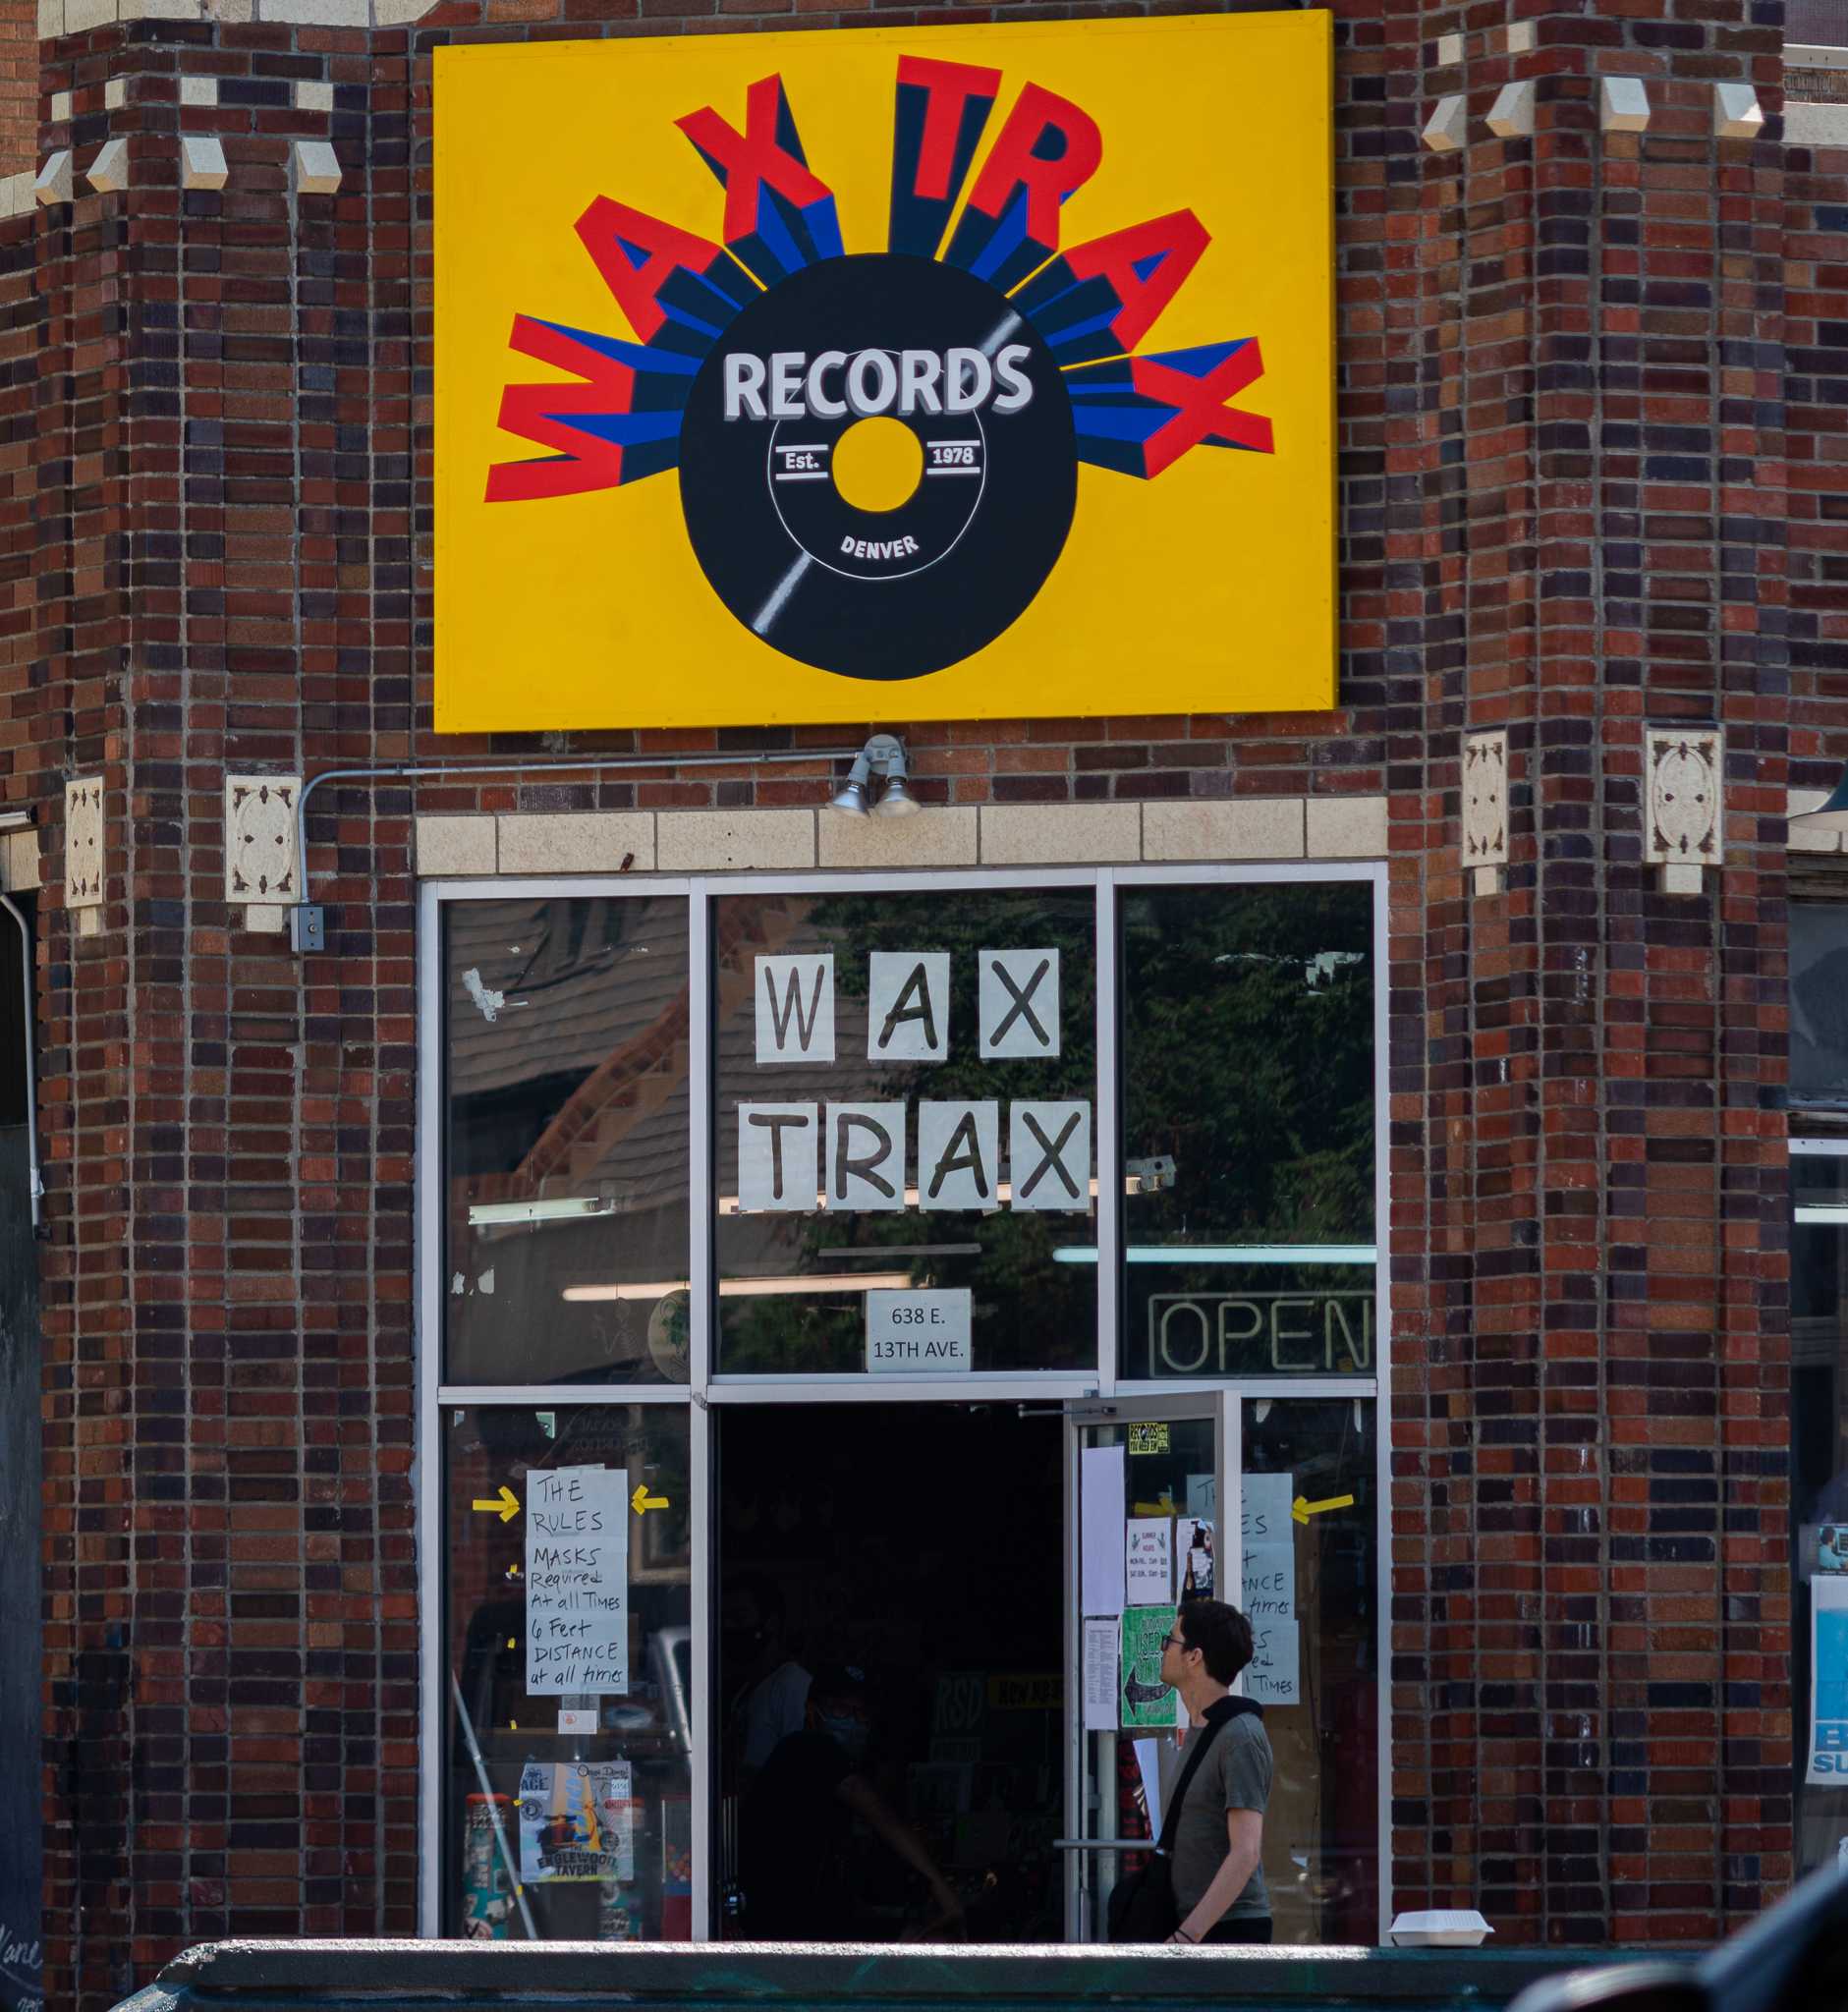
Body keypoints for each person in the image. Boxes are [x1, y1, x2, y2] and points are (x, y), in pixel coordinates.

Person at [737, 1661, 964, 1940]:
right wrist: (939, 1886)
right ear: (811, 1711)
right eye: (840, 1709)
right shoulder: (807, 1747)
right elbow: (879, 1812)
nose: (853, 1721)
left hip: (813, 1928)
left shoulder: (832, 1776)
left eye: (861, 1714)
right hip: (785, 1935)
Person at [1158, 1599, 1272, 1946]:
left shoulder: (1240, 1736)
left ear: (1194, 1656)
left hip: (1228, 1932)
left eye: (1171, 1641)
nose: (1163, 1650)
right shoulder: (1201, 1729)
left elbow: (1246, 1852)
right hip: (1195, 1926)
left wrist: (1187, 1937)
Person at [722, 1575, 812, 1789]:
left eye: (739, 1618)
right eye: (724, 1619)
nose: (729, 1627)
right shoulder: (747, 1688)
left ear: (770, 1623)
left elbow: (801, 1765)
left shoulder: (792, 1683)